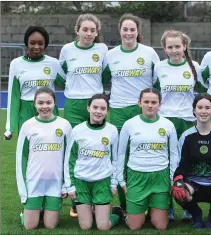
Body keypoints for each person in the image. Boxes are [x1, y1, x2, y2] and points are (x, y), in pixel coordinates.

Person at [102, 13, 160, 217]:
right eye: (125, 29)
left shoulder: (150, 53)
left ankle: (154, 202)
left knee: (145, 154)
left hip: (142, 110)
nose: (128, 33)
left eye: (132, 29)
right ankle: (127, 206)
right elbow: (104, 79)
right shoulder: (110, 55)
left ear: (137, 32)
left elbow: (157, 82)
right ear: (120, 31)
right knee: (119, 157)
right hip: (118, 110)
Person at [58, 13, 109, 219]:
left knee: (97, 148)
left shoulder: (102, 49)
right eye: (85, 29)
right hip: (73, 105)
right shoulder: (67, 50)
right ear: (77, 29)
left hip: (96, 103)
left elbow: (106, 75)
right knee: (75, 151)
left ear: (97, 32)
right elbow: (62, 77)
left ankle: (97, 200)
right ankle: (76, 200)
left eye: (92, 30)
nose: (89, 33)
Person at [153, 29, 204, 221]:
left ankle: (188, 206)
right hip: (165, 121)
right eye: (170, 47)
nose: (174, 50)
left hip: (188, 121)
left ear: (184, 47)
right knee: (165, 165)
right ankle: (167, 207)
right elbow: (155, 91)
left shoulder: (195, 67)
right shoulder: (159, 67)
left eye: (178, 46)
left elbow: (201, 91)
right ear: (165, 49)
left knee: (189, 165)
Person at [116, 88, 179, 230]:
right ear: (139, 103)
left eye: (154, 102)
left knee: (161, 226)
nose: (150, 105)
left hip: (160, 176)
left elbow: (174, 154)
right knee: (134, 226)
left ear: (160, 105)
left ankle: (153, 210)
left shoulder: (168, 125)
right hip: (136, 175)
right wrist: (121, 180)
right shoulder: (129, 124)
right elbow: (121, 154)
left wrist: (171, 179)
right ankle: (120, 213)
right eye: (146, 102)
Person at [172, 93, 211, 229]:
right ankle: (196, 214)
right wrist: (178, 179)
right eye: (199, 107)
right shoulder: (187, 135)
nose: (203, 111)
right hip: (193, 182)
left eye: (207, 108)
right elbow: (181, 162)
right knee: (179, 192)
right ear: (194, 110)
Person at [63, 94, 122, 230]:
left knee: (103, 226)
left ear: (107, 111)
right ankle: (93, 212)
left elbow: (115, 159)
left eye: (103, 108)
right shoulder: (78, 130)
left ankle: (117, 214)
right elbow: (69, 159)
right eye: (95, 107)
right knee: (86, 226)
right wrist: (70, 185)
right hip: (81, 182)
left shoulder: (112, 130)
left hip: (102, 182)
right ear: (88, 108)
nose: (98, 111)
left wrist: (113, 184)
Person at [16, 87, 72, 229]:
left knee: (50, 225)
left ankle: (43, 211)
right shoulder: (27, 126)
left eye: (48, 102)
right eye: (40, 103)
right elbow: (21, 159)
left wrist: (66, 184)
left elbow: (69, 157)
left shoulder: (64, 125)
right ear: (34, 104)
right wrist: (23, 190)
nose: (45, 106)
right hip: (34, 182)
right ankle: (28, 214)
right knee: (30, 226)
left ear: (54, 103)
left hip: (55, 183)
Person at [5, 26, 64, 140]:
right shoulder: (16, 64)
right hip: (26, 110)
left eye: (40, 43)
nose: (36, 47)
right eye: (32, 43)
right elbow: (14, 97)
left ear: (45, 44)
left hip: (49, 109)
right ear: (26, 43)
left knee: (52, 146)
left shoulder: (53, 63)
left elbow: (68, 84)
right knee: (28, 149)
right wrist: (9, 128)